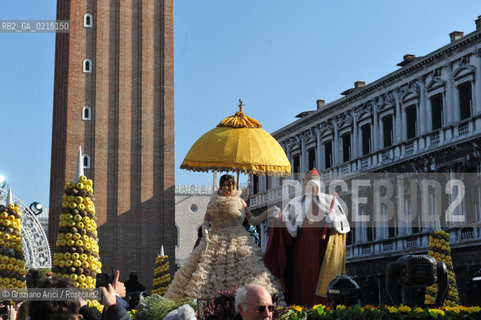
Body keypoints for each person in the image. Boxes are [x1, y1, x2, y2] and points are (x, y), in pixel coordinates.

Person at [165, 174, 284, 303]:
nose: (226, 188)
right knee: (206, 275)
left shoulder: (241, 202)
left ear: (233, 186)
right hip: (216, 241)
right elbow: (205, 222)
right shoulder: (213, 202)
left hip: (238, 241)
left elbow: (253, 221)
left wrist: (270, 211)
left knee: (246, 272)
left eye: (229, 185)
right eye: (224, 185)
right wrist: (206, 235)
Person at [265, 168, 350, 307]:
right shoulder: (295, 203)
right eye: (309, 186)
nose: (312, 189)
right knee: (301, 284)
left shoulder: (330, 202)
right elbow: (288, 231)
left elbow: (342, 227)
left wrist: (333, 221)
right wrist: (280, 218)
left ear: (319, 187)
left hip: (321, 255)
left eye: (314, 187)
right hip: (301, 254)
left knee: (319, 284)